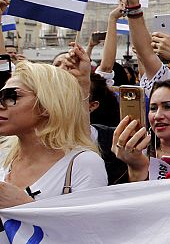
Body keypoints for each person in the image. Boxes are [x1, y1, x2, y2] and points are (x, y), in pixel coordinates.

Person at [0, 61, 106, 207]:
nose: (1, 105)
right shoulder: (3, 157)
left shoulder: (83, 164)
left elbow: (88, 228)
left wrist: (24, 206)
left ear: (47, 105)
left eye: (11, 96)